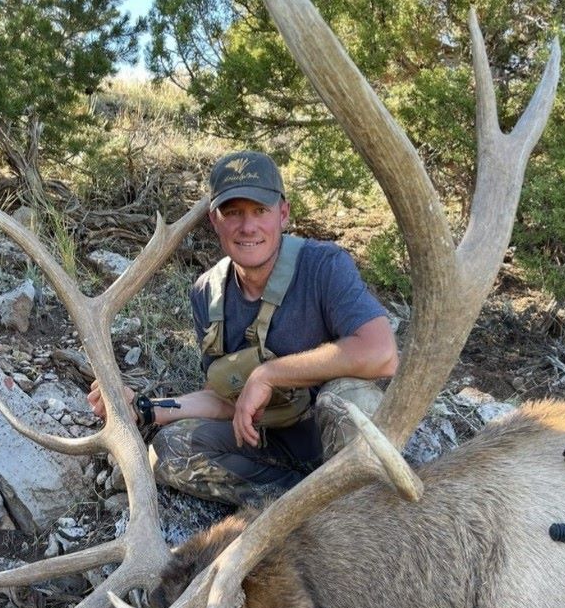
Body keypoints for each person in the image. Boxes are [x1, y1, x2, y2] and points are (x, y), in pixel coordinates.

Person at [88, 150, 398, 506]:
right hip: (271, 442)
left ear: (283, 213)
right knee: (170, 449)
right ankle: (298, 509)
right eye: (233, 212)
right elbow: (223, 398)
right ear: (214, 220)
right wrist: (143, 408)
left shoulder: (324, 266)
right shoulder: (208, 292)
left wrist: (269, 375)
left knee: (349, 402)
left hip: (337, 440)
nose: (247, 227)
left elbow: (381, 354)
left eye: (260, 211)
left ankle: (369, 513)